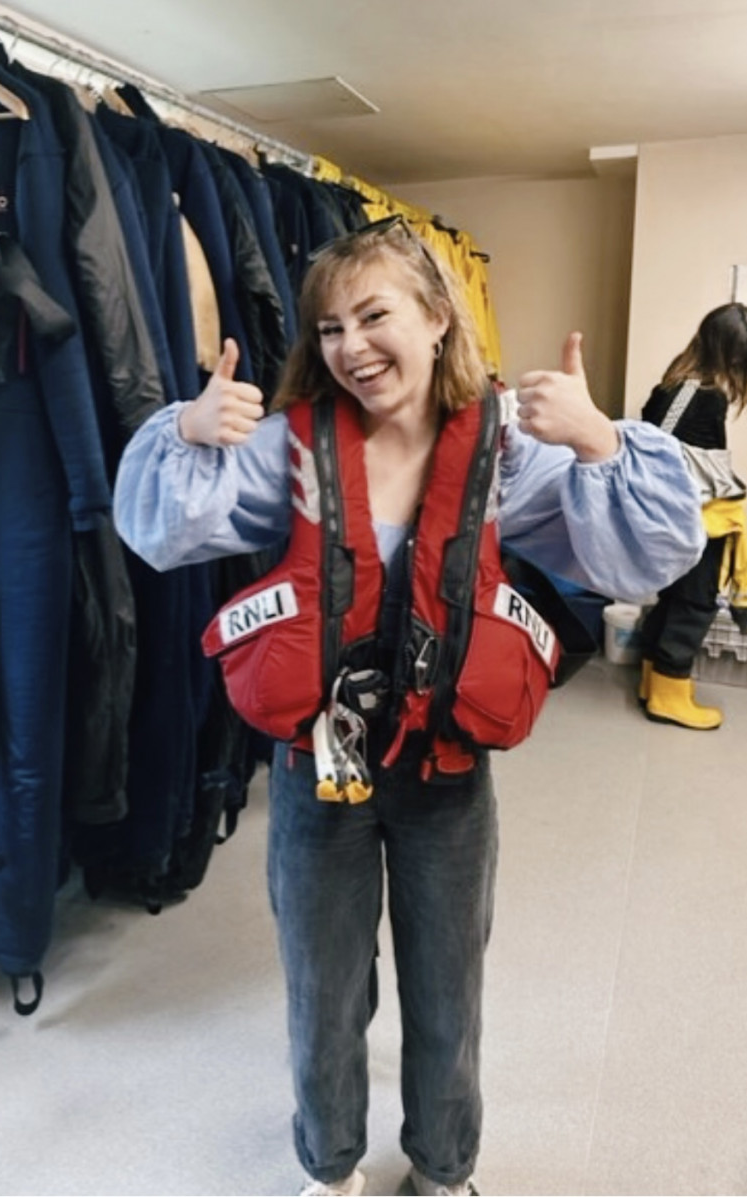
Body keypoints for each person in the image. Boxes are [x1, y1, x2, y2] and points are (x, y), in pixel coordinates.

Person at [112, 217, 704, 1197]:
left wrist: (600, 439)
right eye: (330, 326)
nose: (350, 345)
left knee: (446, 992)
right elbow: (160, 526)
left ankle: (441, 1168)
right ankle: (330, 1164)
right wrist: (183, 427)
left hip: (448, 781)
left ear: (437, 317)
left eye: (374, 314)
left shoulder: (509, 450)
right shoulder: (290, 448)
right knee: (322, 990)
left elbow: (645, 554)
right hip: (318, 775)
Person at [638, 301, 747, 730]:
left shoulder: (672, 385)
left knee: (673, 595)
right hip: (690, 514)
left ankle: (652, 680)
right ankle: (668, 694)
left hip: (662, 511)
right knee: (695, 599)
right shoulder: (706, 396)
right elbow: (705, 466)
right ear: (730, 354)